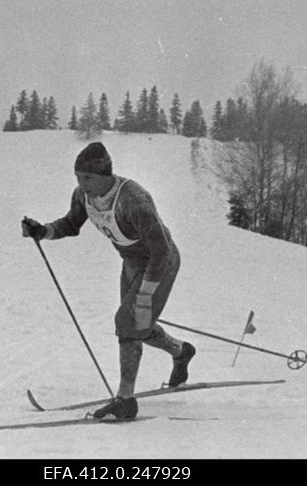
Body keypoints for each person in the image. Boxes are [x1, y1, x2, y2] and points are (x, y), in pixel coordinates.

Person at [22, 141, 196, 420]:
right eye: (78, 177)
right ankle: (181, 352)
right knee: (136, 324)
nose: (82, 184)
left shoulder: (133, 200)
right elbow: (70, 224)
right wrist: (43, 231)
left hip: (159, 263)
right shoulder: (83, 195)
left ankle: (126, 400)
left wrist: (144, 296)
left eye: (87, 178)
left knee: (129, 322)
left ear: (106, 175)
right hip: (132, 262)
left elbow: (161, 251)